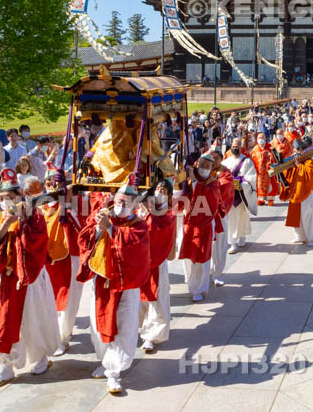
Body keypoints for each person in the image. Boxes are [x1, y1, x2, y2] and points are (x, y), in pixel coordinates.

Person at [0, 177, 60, 388]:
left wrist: (22, 222)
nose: (6, 202)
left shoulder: (35, 215)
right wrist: (5, 226)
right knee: (5, 322)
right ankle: (6, 368)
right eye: (2, 198)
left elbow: (39, 241)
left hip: (31, 277)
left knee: (36, 318)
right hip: (9, 278)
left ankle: (41, 357)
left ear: (20, 196)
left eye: (10, 197)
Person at [77, 183, 151, 395]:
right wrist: (99, 228)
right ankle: (104, 361)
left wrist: (110, 229)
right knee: (98, 324)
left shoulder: (139, 224)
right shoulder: (102, 215)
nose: (121, 204)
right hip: (102, 283)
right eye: (119, 200)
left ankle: (114, 373)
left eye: (126, 202)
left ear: (134, 204)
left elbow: (134, 245)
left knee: (123, 326)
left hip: (125, 285)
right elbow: (84, 238)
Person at [36, 172, 85, 356]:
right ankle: (55, 333)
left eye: (55, 184)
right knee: (51, 299)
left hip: (69, 258)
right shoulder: (40, 207)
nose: (51, 187)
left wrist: (68, 208)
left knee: (68, 299)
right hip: (48, 260)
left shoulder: (73, 206)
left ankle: (62, 338)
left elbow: (82, 230)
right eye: (48, 183)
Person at [179, 153, 229, 301]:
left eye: (208, 166)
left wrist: (196, 184)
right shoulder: (190, 178)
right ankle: (191, 281)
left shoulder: (213, 182)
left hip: (205, 224)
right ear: (197, 164)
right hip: (189, 222)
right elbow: (182, 196)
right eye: (202, 165)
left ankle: (199, 289)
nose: (204, 169)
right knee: (189, 255)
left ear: (212, 167)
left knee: (202, 256)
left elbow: (212, 201)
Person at [139, 186, 176, 353]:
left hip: (157, 260)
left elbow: (163, 231)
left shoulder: (168, 214)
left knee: (156, 299)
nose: (159, 193)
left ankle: (150, 336)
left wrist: (151, 214)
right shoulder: (140, 208)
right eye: (158, 189)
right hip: (139, 262)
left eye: (164, 191)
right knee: (139, 300)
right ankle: (138, 329)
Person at [282, 140, 313, 247]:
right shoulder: (292, 161)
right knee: (297, 216)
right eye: (294, 151)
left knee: (309, 215)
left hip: (306, 192)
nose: (294, 153)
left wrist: (299, 165)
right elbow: (287, 174)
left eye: (296, 151)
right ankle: (300, 237)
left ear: (301, 150)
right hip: (295, 192)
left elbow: (309, 175)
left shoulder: (309, 161)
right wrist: (290, 166)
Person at [251, 132, 278, 206]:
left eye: (262, 138)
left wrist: (270, 162)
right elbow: (252, 159)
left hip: (268, 170)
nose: (261, 140)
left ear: (265, 138)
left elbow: (276, 157)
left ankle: (270, 199)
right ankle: (261, 199)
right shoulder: (255, 148)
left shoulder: (271, 147)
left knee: (270, 185)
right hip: (259, 171)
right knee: (260, 185)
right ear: (257, 139)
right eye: (259, 138)